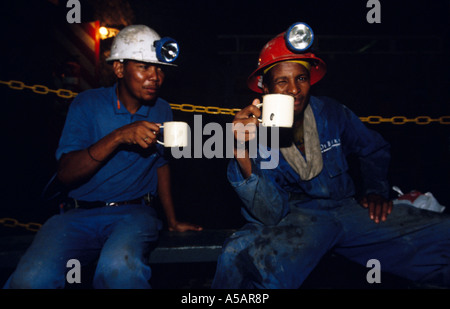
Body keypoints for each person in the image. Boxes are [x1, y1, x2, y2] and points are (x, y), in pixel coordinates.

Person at [212, 22, 450, 289]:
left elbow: (374, 148)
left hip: (347, 210)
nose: (294, 89)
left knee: (441, 235)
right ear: (264, 88)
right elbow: (269, 214)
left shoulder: (331, 112)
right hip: (298, 218)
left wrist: (375, 190)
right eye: (282, 81)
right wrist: (241, 150)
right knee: (248, 263)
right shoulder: (255, 132)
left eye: (300, 78)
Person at [4, 25, 202, 289]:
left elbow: (161, 164)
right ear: (119, 69)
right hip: (76, 215)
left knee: (119, 269)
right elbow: (66, 173)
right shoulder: (87, 104)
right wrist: (119, 136)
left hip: (134, 213)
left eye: (159, 68)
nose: (155, 77)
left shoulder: (162, 109)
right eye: (144, 67)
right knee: (31, 279)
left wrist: (172, 220)